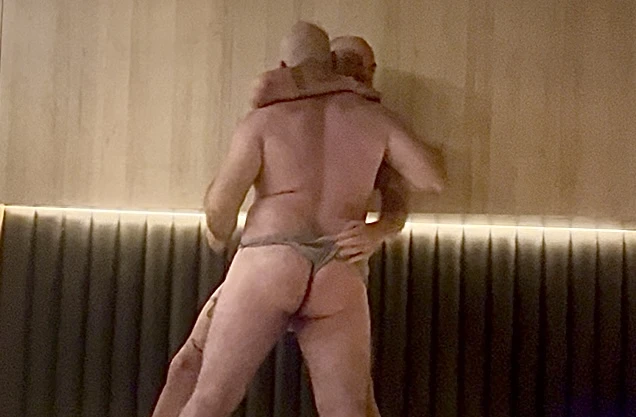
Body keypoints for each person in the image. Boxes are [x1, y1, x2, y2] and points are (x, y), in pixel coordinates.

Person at [153, 21, 444, 417]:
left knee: (210, 399)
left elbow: (221, 206)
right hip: (338, 264)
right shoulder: (375, 119)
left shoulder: (265, 120)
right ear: (332, 64)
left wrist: (219, 237)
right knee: (349, 411)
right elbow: (431, 178)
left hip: (270, 258)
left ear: (284, 66)